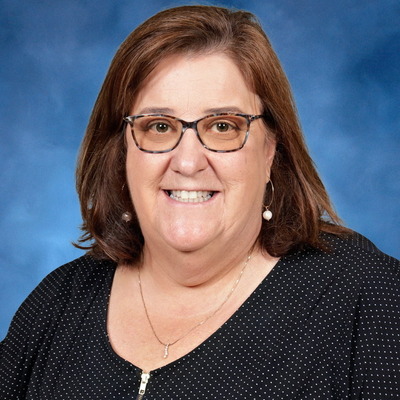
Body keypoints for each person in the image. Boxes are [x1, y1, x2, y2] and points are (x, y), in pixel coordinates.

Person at [1, 5, 399, 399]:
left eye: (223, 126)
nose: (188, 162)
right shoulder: (57, 306)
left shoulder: (368, 297)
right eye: (159, 126)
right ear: (121, 152)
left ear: (270, 150)